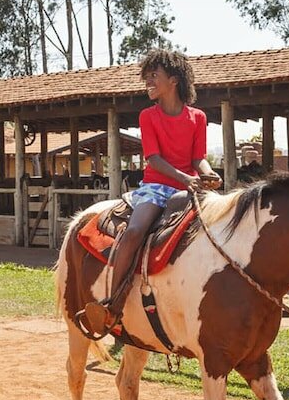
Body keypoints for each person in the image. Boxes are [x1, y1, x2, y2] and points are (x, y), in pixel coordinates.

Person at [83, 49, 221, 335]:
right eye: (146, 76)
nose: (148, 81)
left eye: (153, 76)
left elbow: (198, 158)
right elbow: (154, 158)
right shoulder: (148, 116)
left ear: (174, 79)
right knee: (134, 232)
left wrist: (207, 173)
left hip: (191, 187)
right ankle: (112, 302)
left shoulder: (198, 117)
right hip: (157, 188)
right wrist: (186, 178)